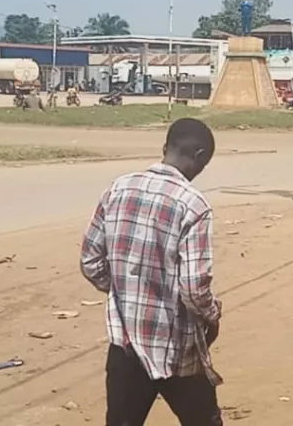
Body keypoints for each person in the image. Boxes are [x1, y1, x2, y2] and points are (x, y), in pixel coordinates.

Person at [81, 118, 223, 426]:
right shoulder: (193, 205)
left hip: (126, 345)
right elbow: (194, 289)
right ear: (199, 156)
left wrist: (125, 289)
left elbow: (91, 262)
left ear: (165, 148)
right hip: (177, 349)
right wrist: (213, 314)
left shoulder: (117, 189)